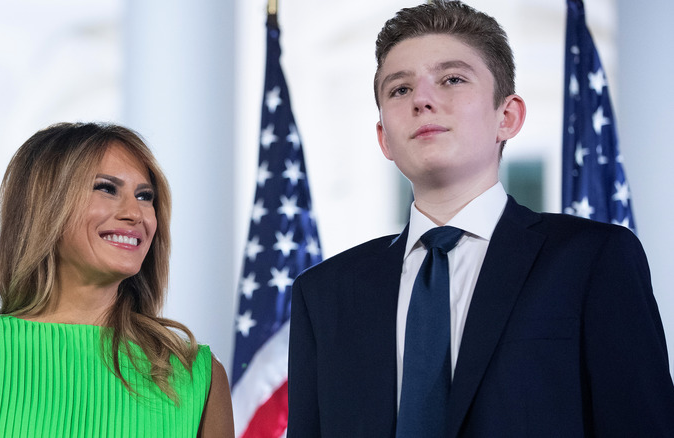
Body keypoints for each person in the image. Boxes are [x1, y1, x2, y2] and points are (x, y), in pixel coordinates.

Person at [287, 1, 674, 437]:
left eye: (452, 79)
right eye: (399, 89)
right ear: (384, 138)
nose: (423, 100)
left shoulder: (593, 259)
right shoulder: (322, 294)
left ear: (506, 117)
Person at [0, 122, 234, 437]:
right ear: (45, 206)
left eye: (145, 196)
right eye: (107, 188)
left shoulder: (196, 375)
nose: (136, 214)